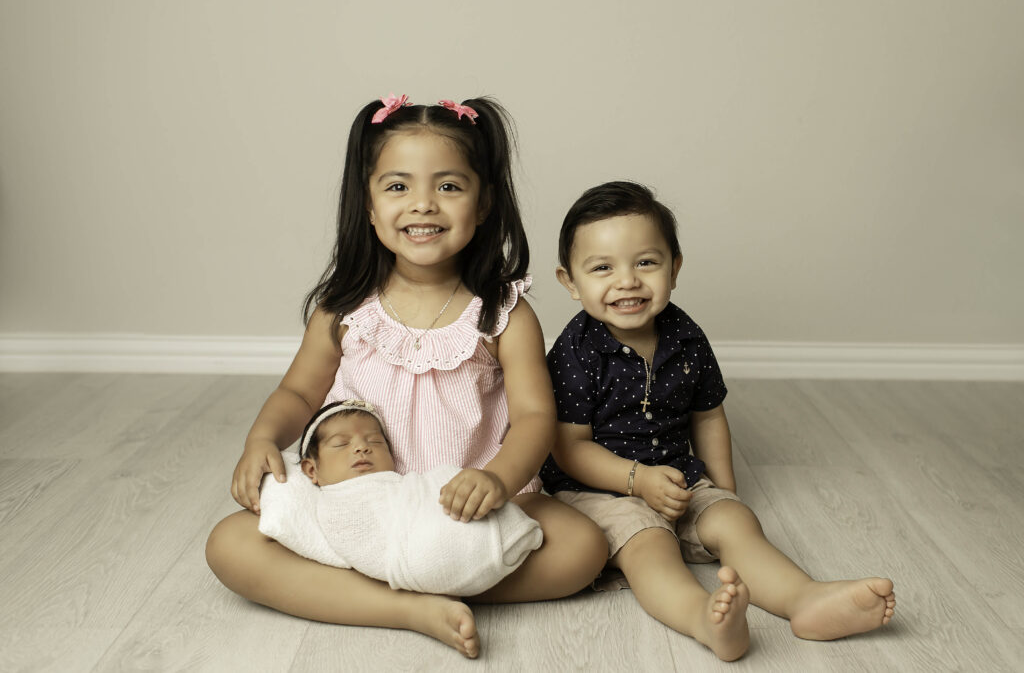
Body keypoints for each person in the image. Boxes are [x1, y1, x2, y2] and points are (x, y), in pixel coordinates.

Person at [205, 95, 607, 659]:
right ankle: (411, 606)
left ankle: (389, 582)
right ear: (367, 205)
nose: (423, 205)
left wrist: (497, 479)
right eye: (397, 187)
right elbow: (298, 391)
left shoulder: (502, 312)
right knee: (229, 544)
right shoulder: (344, 308)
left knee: (584, 546)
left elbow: (537, 417)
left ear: (484, 202)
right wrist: (262, 439)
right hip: (357, 502)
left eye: (448, 186)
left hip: (464, 505)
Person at [540, 180, 896, 661]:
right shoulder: (575, 351)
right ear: (570, 282)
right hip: (597, 489)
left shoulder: (686, 336)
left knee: (737, 524)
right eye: (602, 268)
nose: (627, 280)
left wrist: (723, 492)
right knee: (650, 549)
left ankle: (805, 599)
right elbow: (568, 447)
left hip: (677, 476)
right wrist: (636, 480)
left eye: (646, 262)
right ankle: (704, 620)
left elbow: (708, 416)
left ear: (675, 267)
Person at [256, 399, 542, 596]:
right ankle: (418, 598)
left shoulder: (402, 485)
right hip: (411, 559)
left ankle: (433, 585)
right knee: (232, 542)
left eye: (375, 442)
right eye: (342, 444)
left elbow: (420, 495)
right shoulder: (335, 504)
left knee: (580, 544)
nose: (361, 448)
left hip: (447, 520)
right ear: (310, 470)